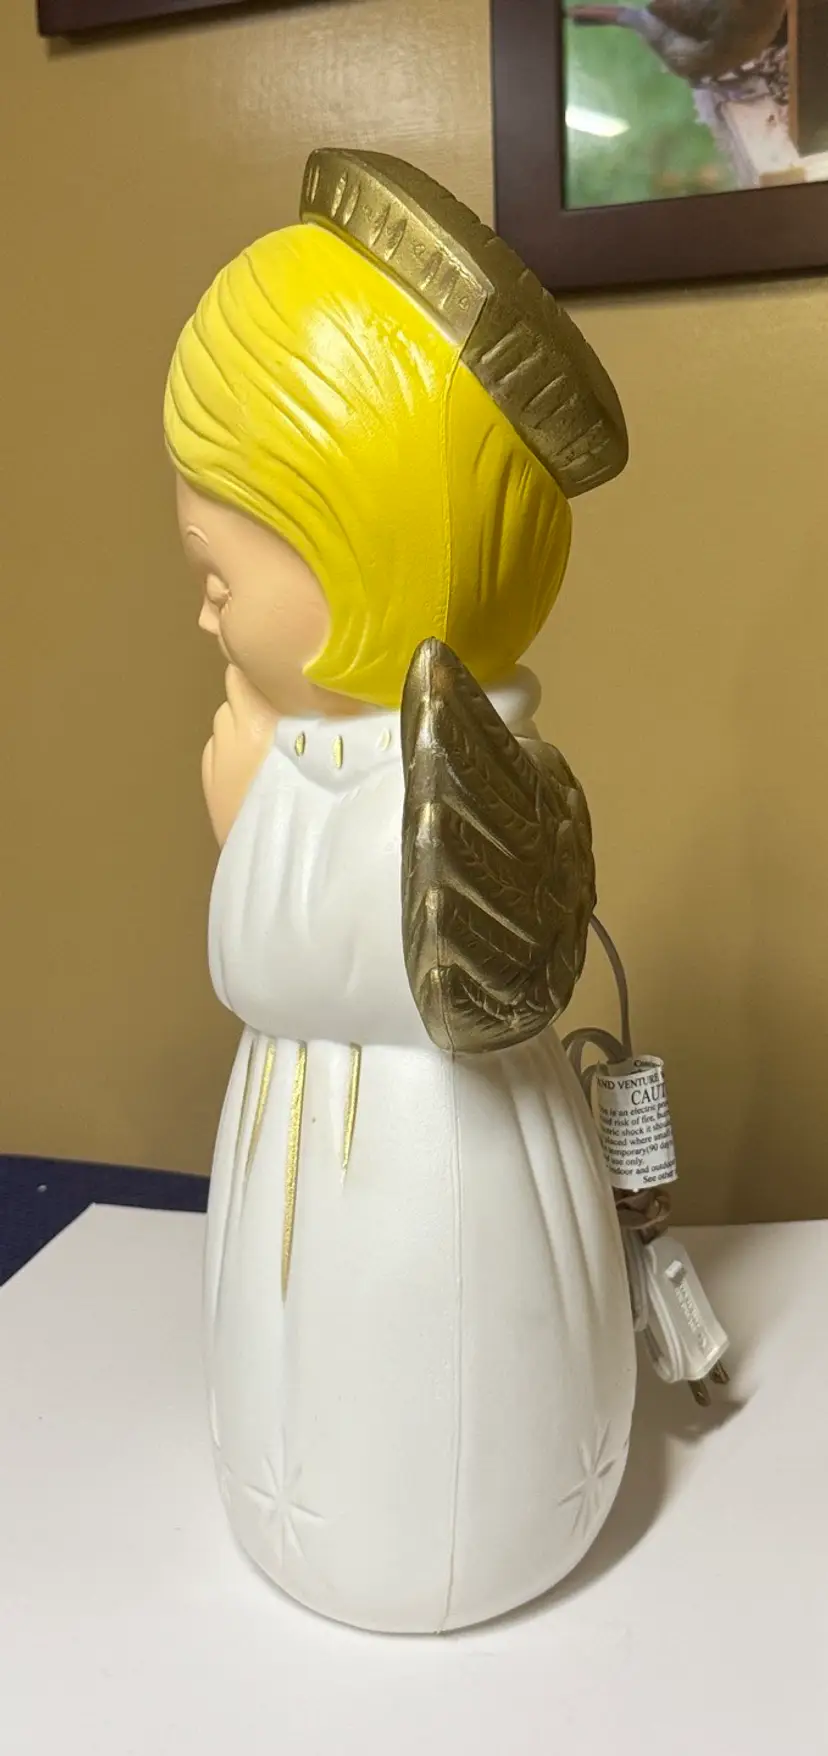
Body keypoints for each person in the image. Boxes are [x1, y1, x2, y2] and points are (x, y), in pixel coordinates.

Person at [163, 148, 635, 1633]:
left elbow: (345, 965)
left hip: (417, 1174)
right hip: (334, 1147)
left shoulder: (439, 794)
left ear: (355, 568)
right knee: (312, 1361)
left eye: (221, 574)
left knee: (420, 1372)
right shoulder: (350, 765)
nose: (204, 614)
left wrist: (245, 830)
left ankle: (469, 1518)